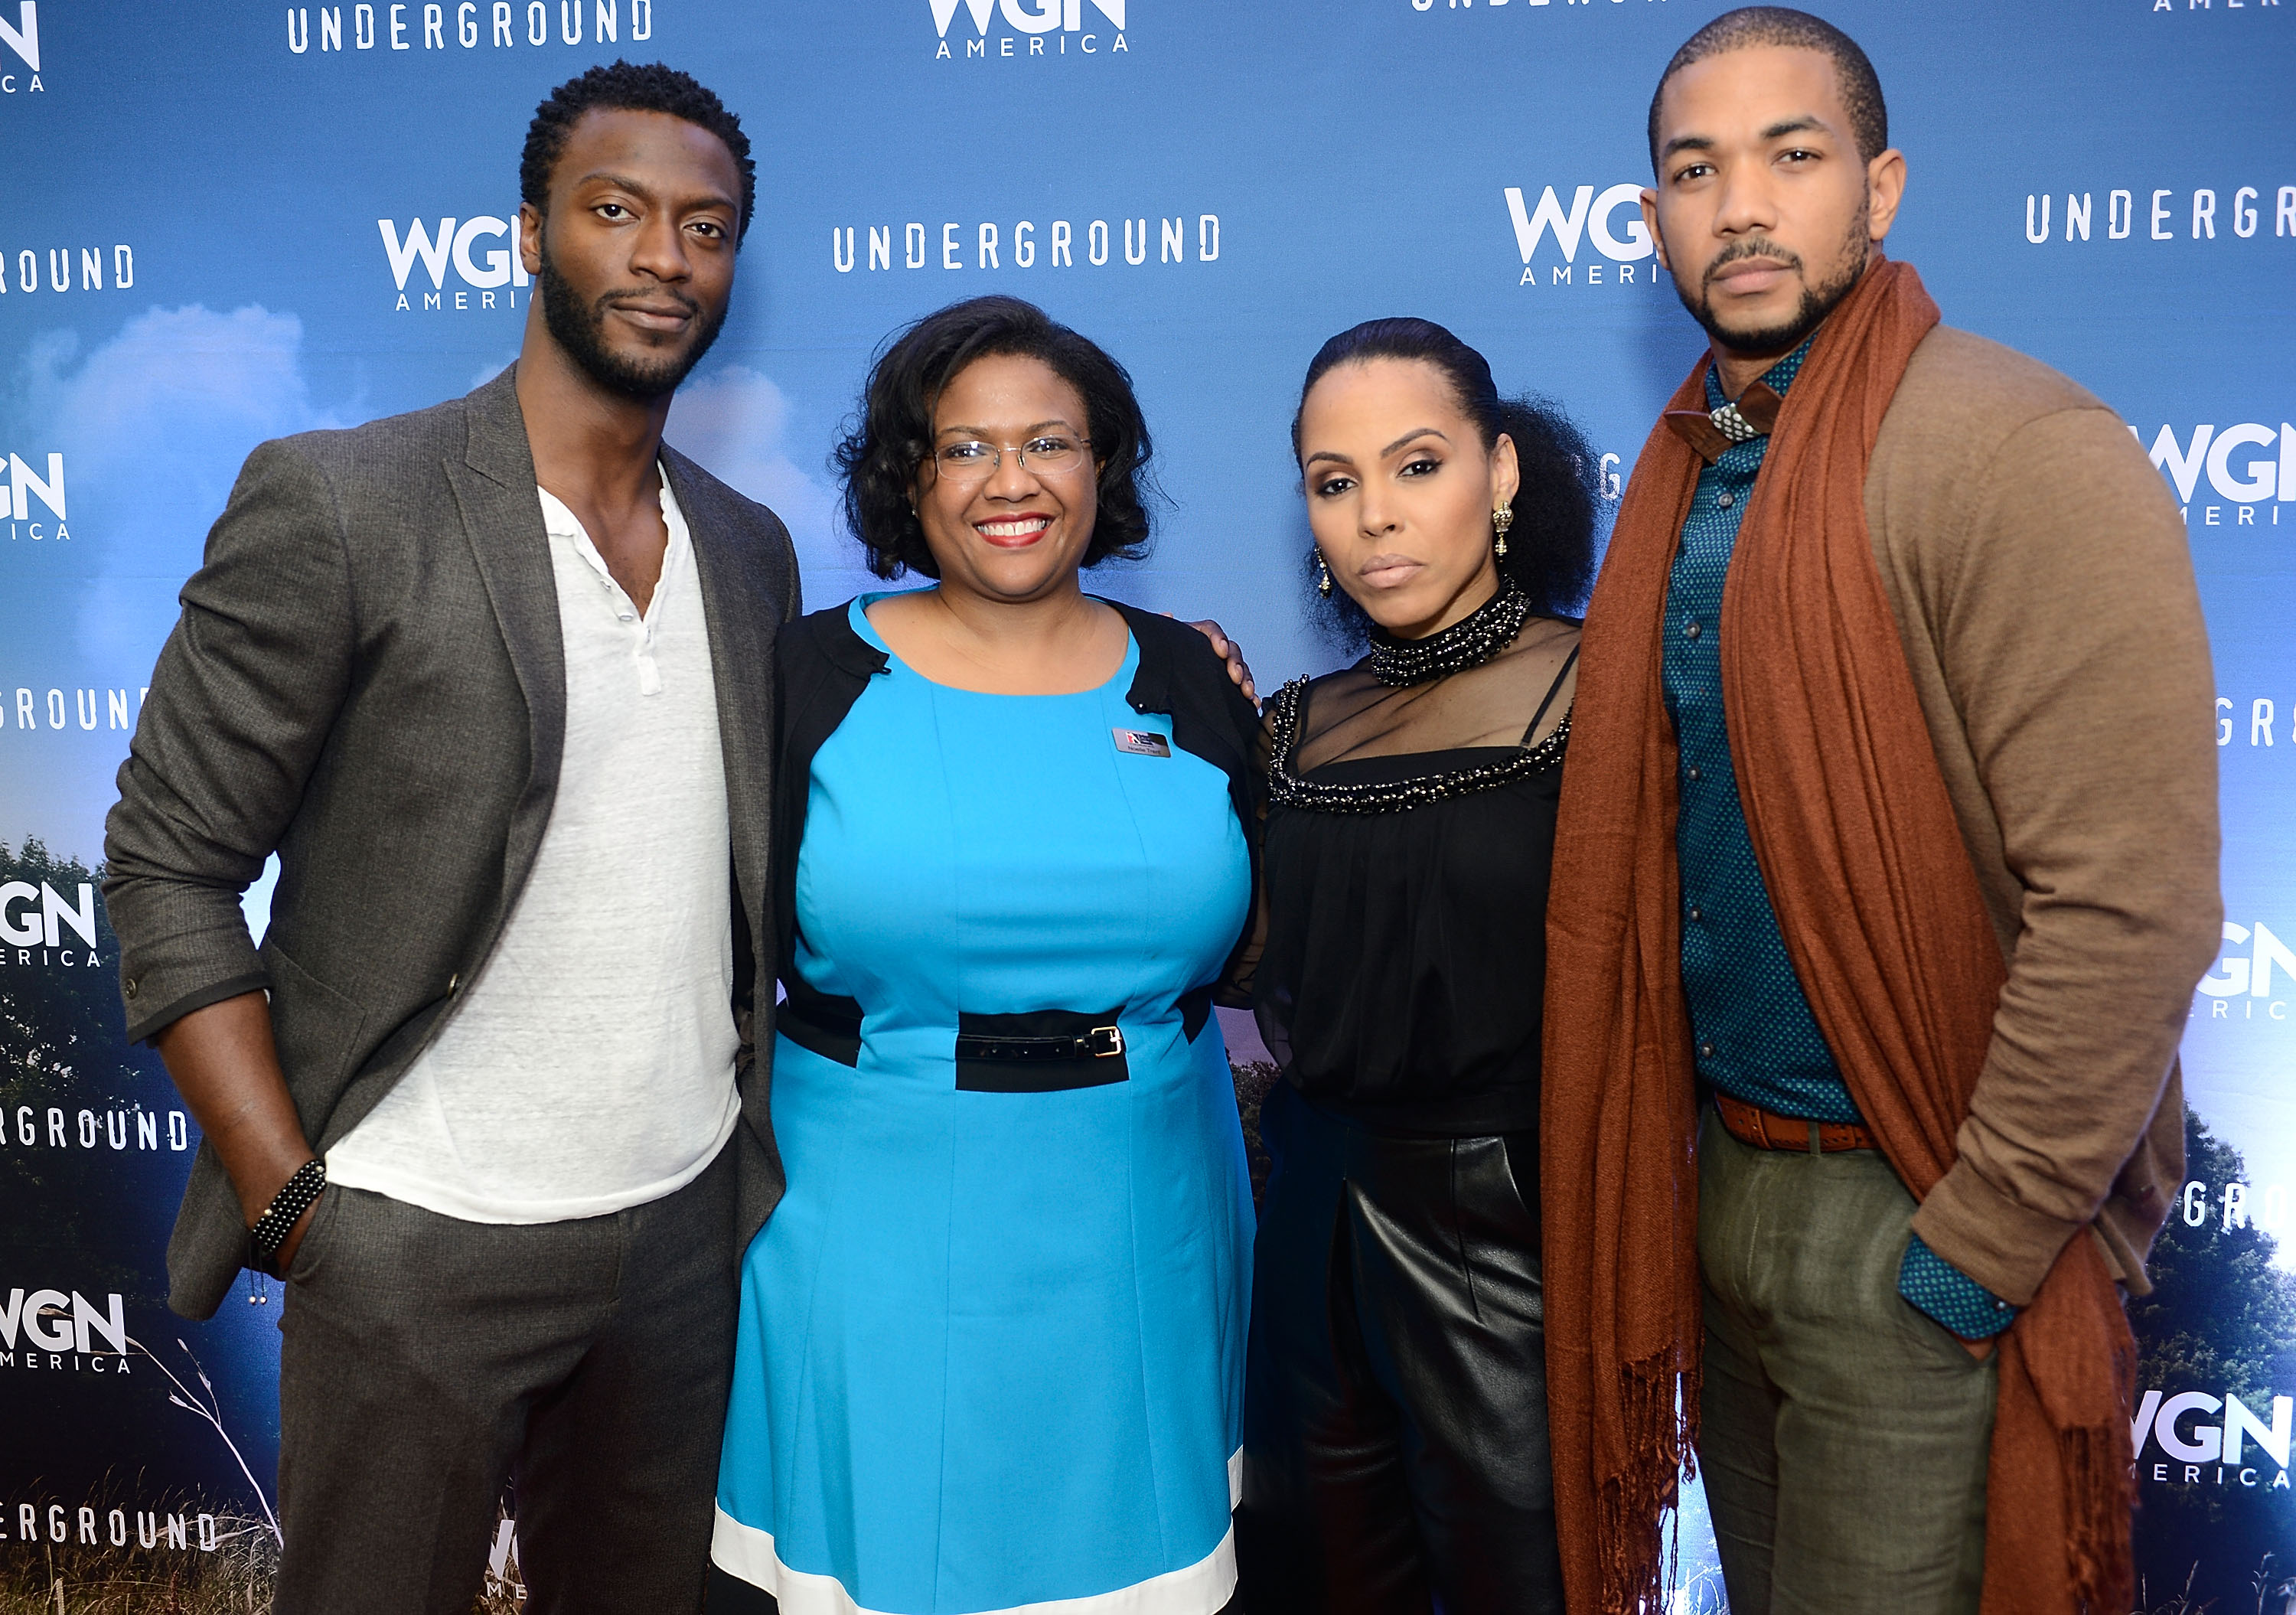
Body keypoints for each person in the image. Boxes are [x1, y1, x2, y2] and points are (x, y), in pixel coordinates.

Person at [1540, 10, 2221, 1614]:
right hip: (1726, 1191)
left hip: (1917, 1202)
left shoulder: (2014, 445)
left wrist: (1974, 1244)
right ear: (1652, 224)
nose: (1745, 207)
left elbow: (2130, 905)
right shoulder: (1690, 471)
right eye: (1696, 172)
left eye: (1796, 156)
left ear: (1883, 188)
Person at [102, 63, 794, 1613]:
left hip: (682, 1229)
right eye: (616, 210)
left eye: (706, 225)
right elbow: (166, 859)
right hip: (414, 1238)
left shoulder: (750, 549)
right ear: (528, 234)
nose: (663, 255)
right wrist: (293, 1200)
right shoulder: (347, 502)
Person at [707, 295, 1264, 1615]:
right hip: (866, 1225)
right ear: (911, 474)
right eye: (966, 447)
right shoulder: (802, 677)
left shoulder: (1190, 674)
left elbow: (1260, 950)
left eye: (1051, 443)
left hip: (1150, 1214)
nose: (1011, 482)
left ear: (1103, 467)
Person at [1235, 318, 1597, 1615]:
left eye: (1417, 466)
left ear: (1501, 475)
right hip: (1307, 1219)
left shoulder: (1607, 698)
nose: (1375, 517)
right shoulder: (1286, 726)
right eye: (1335, 484)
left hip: (1511, 1232)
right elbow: (1245, 965)